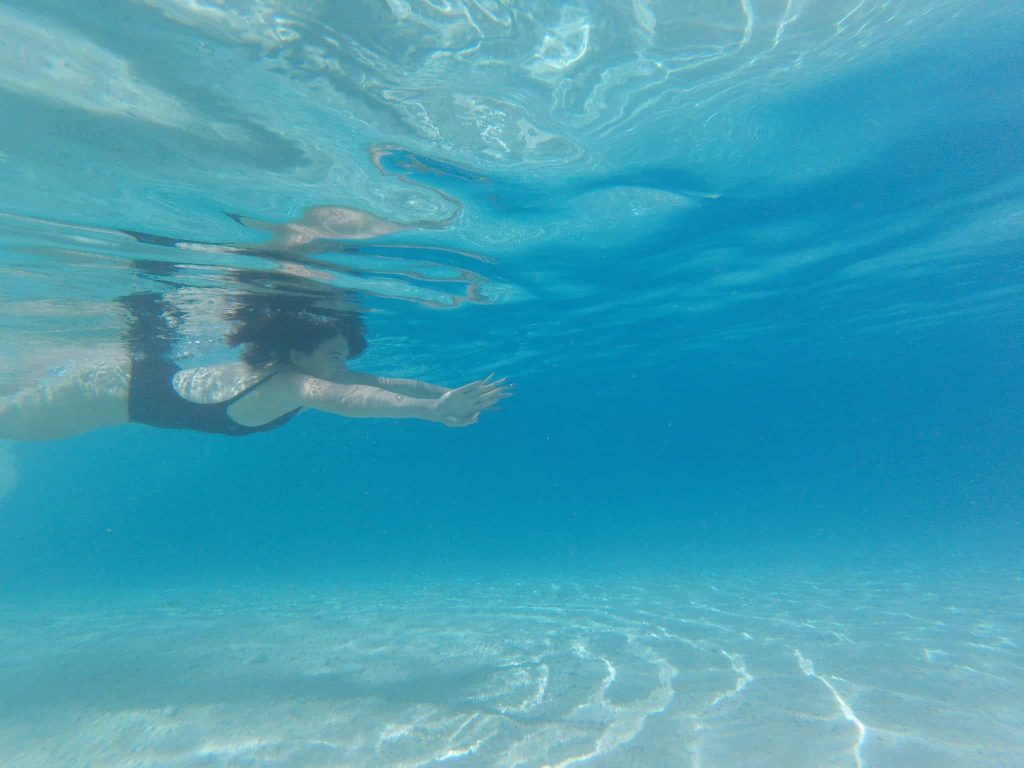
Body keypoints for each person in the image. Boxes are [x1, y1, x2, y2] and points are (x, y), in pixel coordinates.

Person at [0, 290, 510, 442]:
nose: (343, 363)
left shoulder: (317, 371)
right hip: (103, 396)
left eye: (343, 353)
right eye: (334, 353)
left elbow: (383, 383)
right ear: (295, 350)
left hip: (134, 377)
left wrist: (444, 399)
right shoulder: (295, 383)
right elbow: (353, 402)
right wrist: (429, 412)